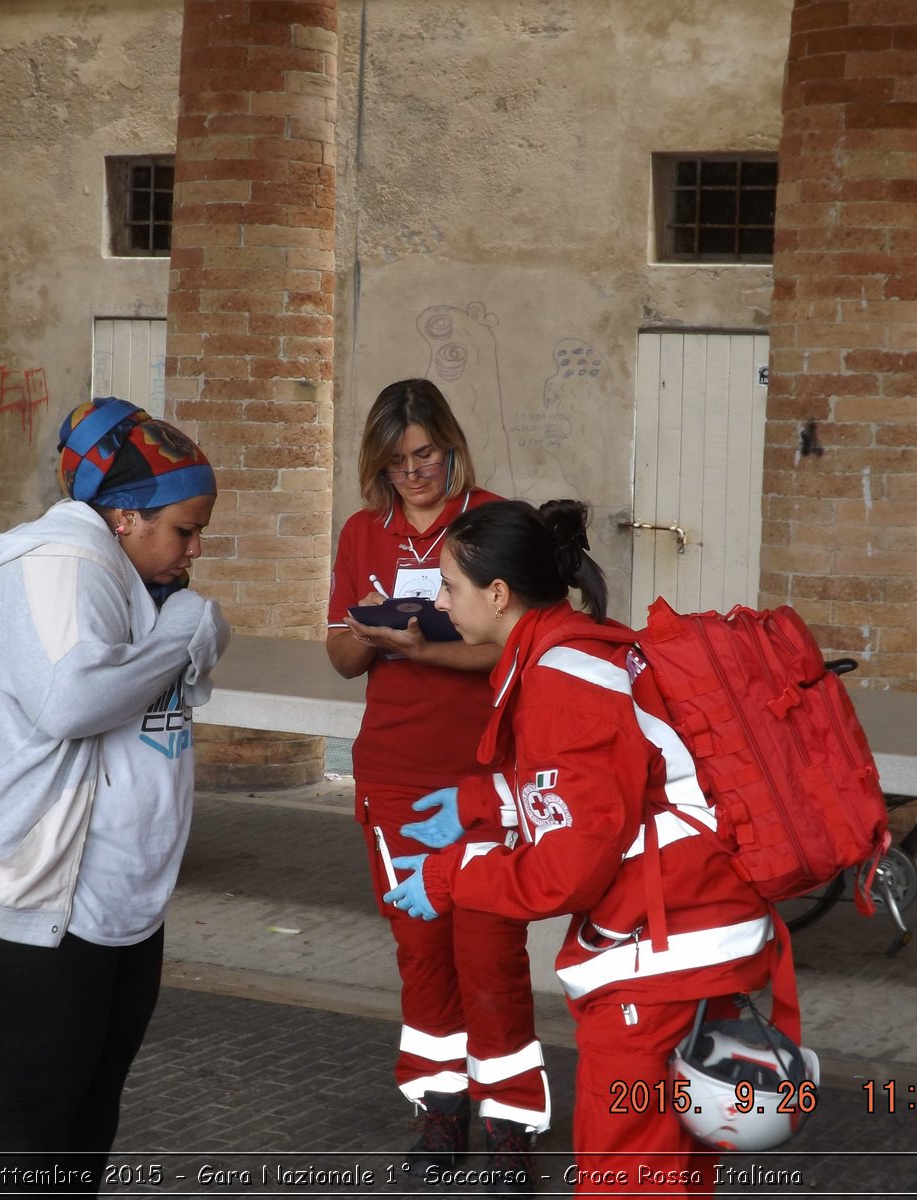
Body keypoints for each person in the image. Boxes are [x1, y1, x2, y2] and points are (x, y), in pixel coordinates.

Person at [384, 498, 783, 1196]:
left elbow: (566, 869)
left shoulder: (561, 683)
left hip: (661, 955)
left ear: (498, 595)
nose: (441, 599)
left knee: (626, 1171)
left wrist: (449, 879)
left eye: (449, 585)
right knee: (676, 1166)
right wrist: (480, 802)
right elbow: (607, 790)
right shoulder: (571, 651)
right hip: (695, 931)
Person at [0, 397, 229, 1196]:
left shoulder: (130, 578)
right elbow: (71, 701)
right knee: (37, 1112)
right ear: (123, 516)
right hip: (17, 881)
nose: (192, 552)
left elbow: (166, 692)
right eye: (184, 530)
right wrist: (184, 631)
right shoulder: (61, 565)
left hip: (106, 893)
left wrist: (179, 625)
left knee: (89, 1100)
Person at [325, 379, 548, 1188]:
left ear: (451, 445)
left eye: (425, 456)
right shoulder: (363, 532)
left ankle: (512, 1125)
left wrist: (425, 650)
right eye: (396, 463)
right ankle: (440, 1110)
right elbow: (340, 655)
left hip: (486, 773)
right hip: (392, 773)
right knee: (422, 954)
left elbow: (517, 647)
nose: (414, 475)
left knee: (490, 952)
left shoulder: (491, 522)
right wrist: (372, 634)